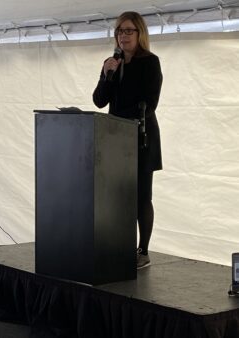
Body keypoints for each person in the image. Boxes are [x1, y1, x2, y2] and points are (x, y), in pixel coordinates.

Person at [92, 11, 163, 269]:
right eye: (120, 31)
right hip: (115, 140)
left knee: (141, 196)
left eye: (129, 30)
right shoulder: (113, 63)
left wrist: (120, 120)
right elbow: (99, 101)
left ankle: (143, 251)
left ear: (140, 33)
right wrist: (106, 74)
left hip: (142, 137)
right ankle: (119, 247)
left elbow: (149, 104)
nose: (123, 35)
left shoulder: (150, 62)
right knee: (118, 196)